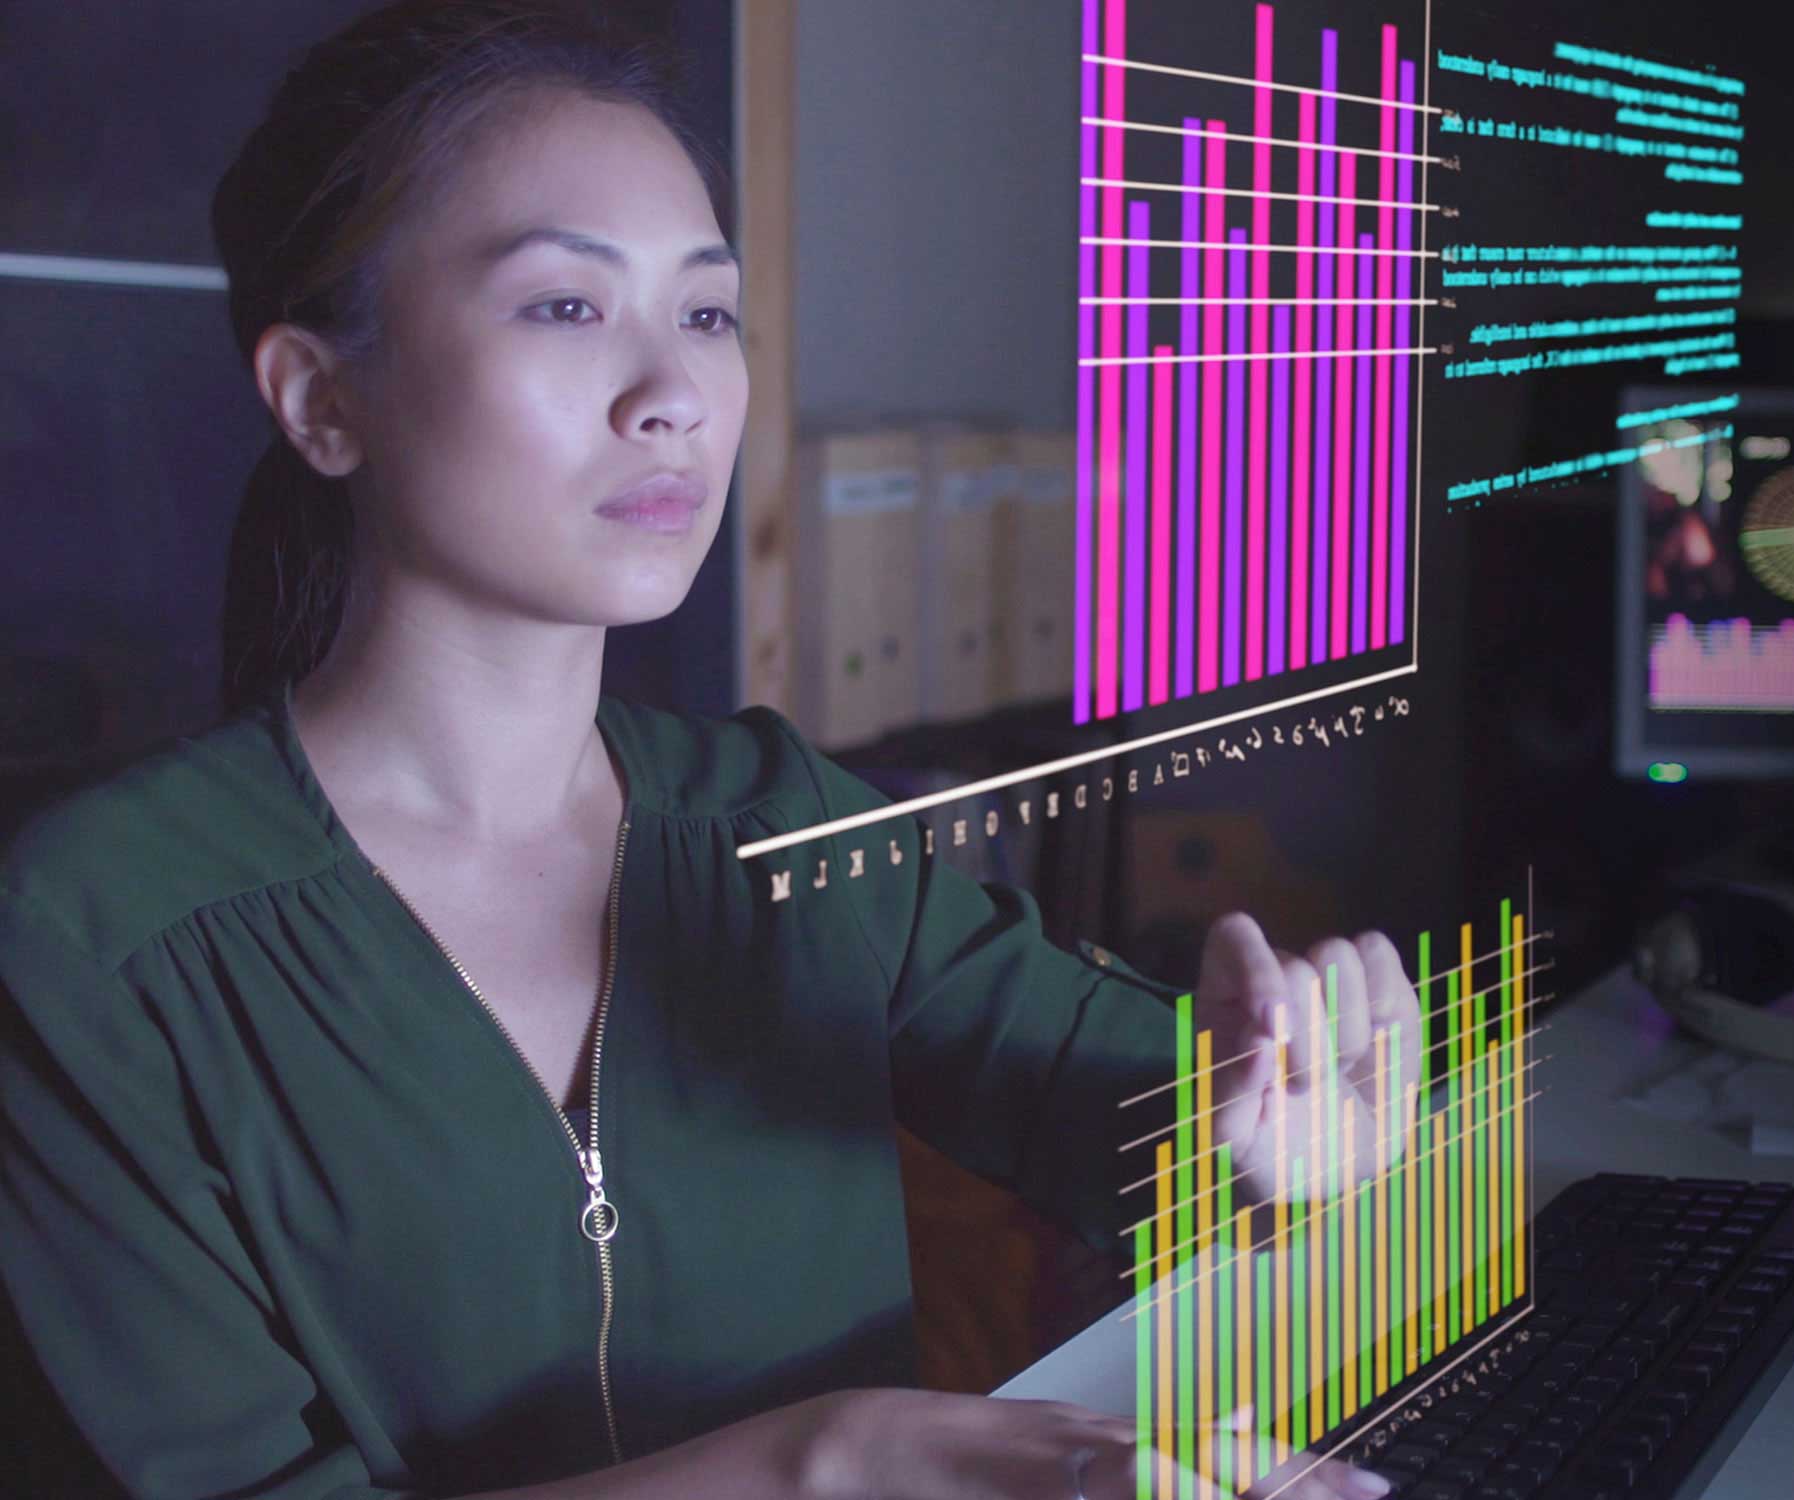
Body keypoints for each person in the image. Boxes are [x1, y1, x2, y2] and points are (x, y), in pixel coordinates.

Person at [0, 3, 1420, 1497]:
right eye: (564, 306)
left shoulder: (778, 824)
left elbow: (1100, 1094)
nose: (673, 394)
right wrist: (824, 1464)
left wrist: (1250, 1129)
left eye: (708, 312)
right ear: (322, 399)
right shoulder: (99, 942)